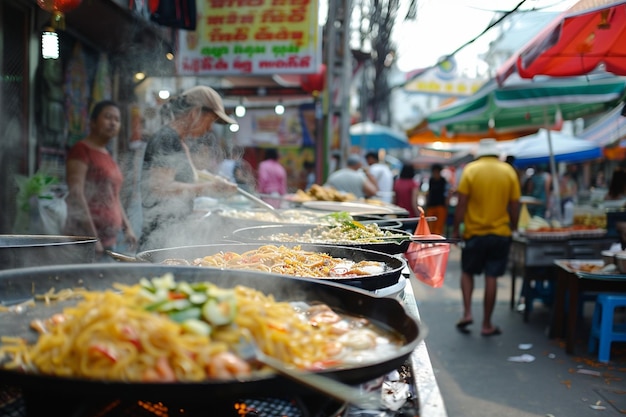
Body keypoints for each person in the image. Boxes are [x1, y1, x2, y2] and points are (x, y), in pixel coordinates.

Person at [139, 85, 237, 251]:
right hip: (160, 240)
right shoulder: (166, 139)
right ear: (195, 112)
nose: (210, 128)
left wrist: (214, 180)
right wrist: (210, 188)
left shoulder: (179, 141)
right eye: (211, 120)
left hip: (173, 234)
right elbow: (160, 187)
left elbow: (185, 175)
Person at [452, 138, 521, 337]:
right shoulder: (508, 171)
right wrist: (514, 227)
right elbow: (515, 204)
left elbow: (462, 204)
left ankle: (466, 313)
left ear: (480, 153)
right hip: (500, 233)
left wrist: (456, 230)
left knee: (467, 272)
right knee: (492, 277)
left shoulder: (471, 170)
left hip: (474, 233)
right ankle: (487, 324)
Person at [64, 100, 137, 258]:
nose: (113, 123)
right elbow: (76, 194)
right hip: (84, 241)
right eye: (108, 117)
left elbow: (114, 196)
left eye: (117, 120)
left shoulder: (107, 154)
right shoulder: (81, 150)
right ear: (93, 122)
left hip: (109, 240)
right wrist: (92, 238)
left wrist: (127, 228)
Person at [425, 163, 449, 236]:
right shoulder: (431, 181)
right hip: (431, 206)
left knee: (439, 227)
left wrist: (446, 204)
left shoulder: (443, 181)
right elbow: (429, 192)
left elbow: (446, 193)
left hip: (440, 206)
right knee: (430, 227)